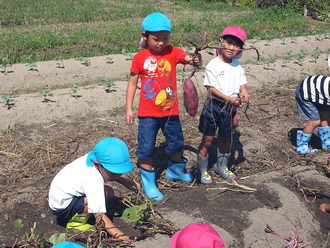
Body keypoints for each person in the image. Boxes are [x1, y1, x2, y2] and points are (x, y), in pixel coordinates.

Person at [125, 12, 201, 201]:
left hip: (170, 113)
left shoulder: (172, 52)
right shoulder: (140, 57)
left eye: (165, 38)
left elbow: (188, 59)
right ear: (145, 36)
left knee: (176, 143)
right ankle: (149, 182)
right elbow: (132, 84)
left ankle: (175, 171)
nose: (161, 43)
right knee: (147, 148)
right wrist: (129, 108)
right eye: (156, 39)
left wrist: (195, 59)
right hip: (147, 114)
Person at [48, 137, 140, 243]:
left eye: (120, 173)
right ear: (97, 164)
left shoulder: (95, 157)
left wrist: (125, 181)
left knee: (109, 192)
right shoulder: (93, 178)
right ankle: (77, 222)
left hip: (62, 196)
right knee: (103, 195)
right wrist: (121, 236)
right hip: (62, 207)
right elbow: (99, 214)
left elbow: (110, 173)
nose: (117, 176)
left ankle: (80, 213)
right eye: (113, 173)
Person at [197, 26, 249, 184]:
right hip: (213, 107)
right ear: (221, 43)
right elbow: (211, 89)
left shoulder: (238, 66)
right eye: (229, 43)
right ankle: (202, 170)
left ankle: (221, 166)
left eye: (237, 45)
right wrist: (229, 98)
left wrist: (244, 94)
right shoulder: (213, 64)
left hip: (229, 109)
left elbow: (243, 86)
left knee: (226, 138)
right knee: (208, 139)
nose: (232, 48)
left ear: (240, 48)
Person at [295, 75, 330, 155]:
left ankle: (327, 145)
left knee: (326, 118)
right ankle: (301, 147)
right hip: (306, 92)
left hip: (321, 94)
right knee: (315, 121)